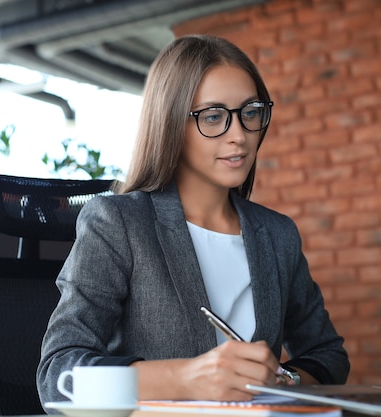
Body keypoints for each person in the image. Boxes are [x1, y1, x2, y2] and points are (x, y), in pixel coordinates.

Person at [37, 34, 349, 406]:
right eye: (214, 117)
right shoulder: (119, 223)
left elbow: (329, 355)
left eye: (250, 112)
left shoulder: (277, 234)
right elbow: (59, 375)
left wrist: (285, 380)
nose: (240, 136)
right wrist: (185, 379)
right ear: (171, 124)